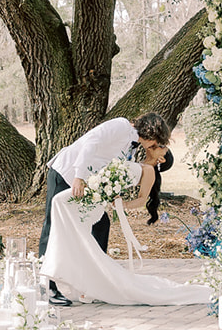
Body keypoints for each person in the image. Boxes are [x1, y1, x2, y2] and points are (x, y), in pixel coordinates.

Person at [39, 146, 212, 307]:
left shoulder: (149, 170)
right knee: (72, 220)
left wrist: (122, 204)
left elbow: (142, 199)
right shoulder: (136, 158)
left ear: (162, 160)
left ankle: (78, 279)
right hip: (93, 192)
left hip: (95, 195)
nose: (153, 146)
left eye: (159, 147)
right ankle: (72, 277)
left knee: (68, 211)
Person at [38, 113, 170, 305]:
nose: (155, 147)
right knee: (52, 226)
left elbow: (109, 165)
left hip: (84, 183)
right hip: (67, 173)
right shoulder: (121, 126)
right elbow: (90, 143)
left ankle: (93, 283)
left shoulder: (131, 147)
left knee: (101, 224)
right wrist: (79, 176)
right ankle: (46, 288)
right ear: (150, 134)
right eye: (156, 143)